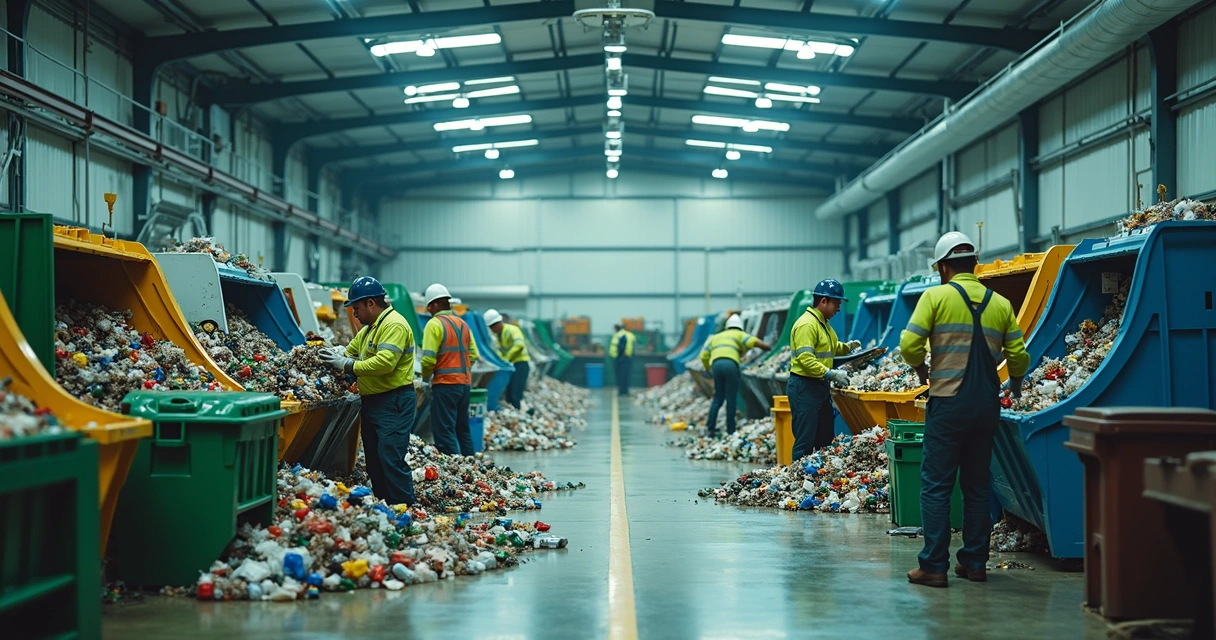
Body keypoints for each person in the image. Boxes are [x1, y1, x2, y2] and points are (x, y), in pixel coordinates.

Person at [901, 232, 1030, 588]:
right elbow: (1019, 355)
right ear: (974, 264)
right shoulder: (1000, 303)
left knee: (936, 486)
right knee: (976, 485)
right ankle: (974, 563)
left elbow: (909, 344)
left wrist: (921, 370)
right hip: (986, 404)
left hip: (948, 402)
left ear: (944, 267)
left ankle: (933, 566)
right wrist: (1016, 385)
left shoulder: (936, 297)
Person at [318, 276, 416, 505]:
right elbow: (351, 352)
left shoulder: (394, 325)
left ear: (371, 303)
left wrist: (346, 365)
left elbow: (385, 363)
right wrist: (337, 355)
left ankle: (404, 507)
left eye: (357, 307)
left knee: (390, 457)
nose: (354, 314)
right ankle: (385, 505)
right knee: (374, 459)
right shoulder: (370, 329)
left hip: (394, 401)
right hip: (373, 402)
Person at [787, 279, 861, 462]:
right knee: (805, 441)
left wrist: (847, 347)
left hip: (818, 387)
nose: (838, 308)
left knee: (825, 439)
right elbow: (806, 359)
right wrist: (830, 373)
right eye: (836, 303)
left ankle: (818, 479)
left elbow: (830, 348)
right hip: (804, 387)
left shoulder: (823, 324)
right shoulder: (807, 325)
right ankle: (798, 483)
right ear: (824, 301)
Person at [419, 283, 480, 456]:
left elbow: (429, 358)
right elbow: (473, 355)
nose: (429, 310)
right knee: (463, 429)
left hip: (445, 385)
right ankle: (469, 467)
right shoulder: (463, 324)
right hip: (464, 385)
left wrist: (425, 377)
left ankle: (455, 468)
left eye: (429, 306)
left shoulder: (434, 324)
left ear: (436, 304)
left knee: (444, 431)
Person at [700, 314, 771, 437]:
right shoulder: (739, 334)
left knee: (717, 398)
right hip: (731, 365)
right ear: (740, 327)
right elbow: (754, 341)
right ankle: (730, 430)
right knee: (731, 398)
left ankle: (710, 429)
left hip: (716, 365)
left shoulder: (715, 337)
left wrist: (708, 369)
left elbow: (703, 355)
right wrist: (768, 347)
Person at [485, 309, 530, 409]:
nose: (491, 330)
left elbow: (519, 345)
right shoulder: (498, 336)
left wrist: (506, 358)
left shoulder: (512, 330)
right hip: (510, 365)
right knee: (509, 393)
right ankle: (514, 411)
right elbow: (499, 351)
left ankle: (517, 413)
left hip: (520, 364)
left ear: (496, 324)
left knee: (515, 392)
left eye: (491, 327)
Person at [608, 323, 636, 396]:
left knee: (621, 376)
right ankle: (625, 391)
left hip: (621, 359)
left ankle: (622, 391)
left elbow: (621, 347)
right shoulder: (629, 335)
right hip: (626, 358)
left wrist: (621, 357)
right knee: (626, 376)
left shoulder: (620, 335)